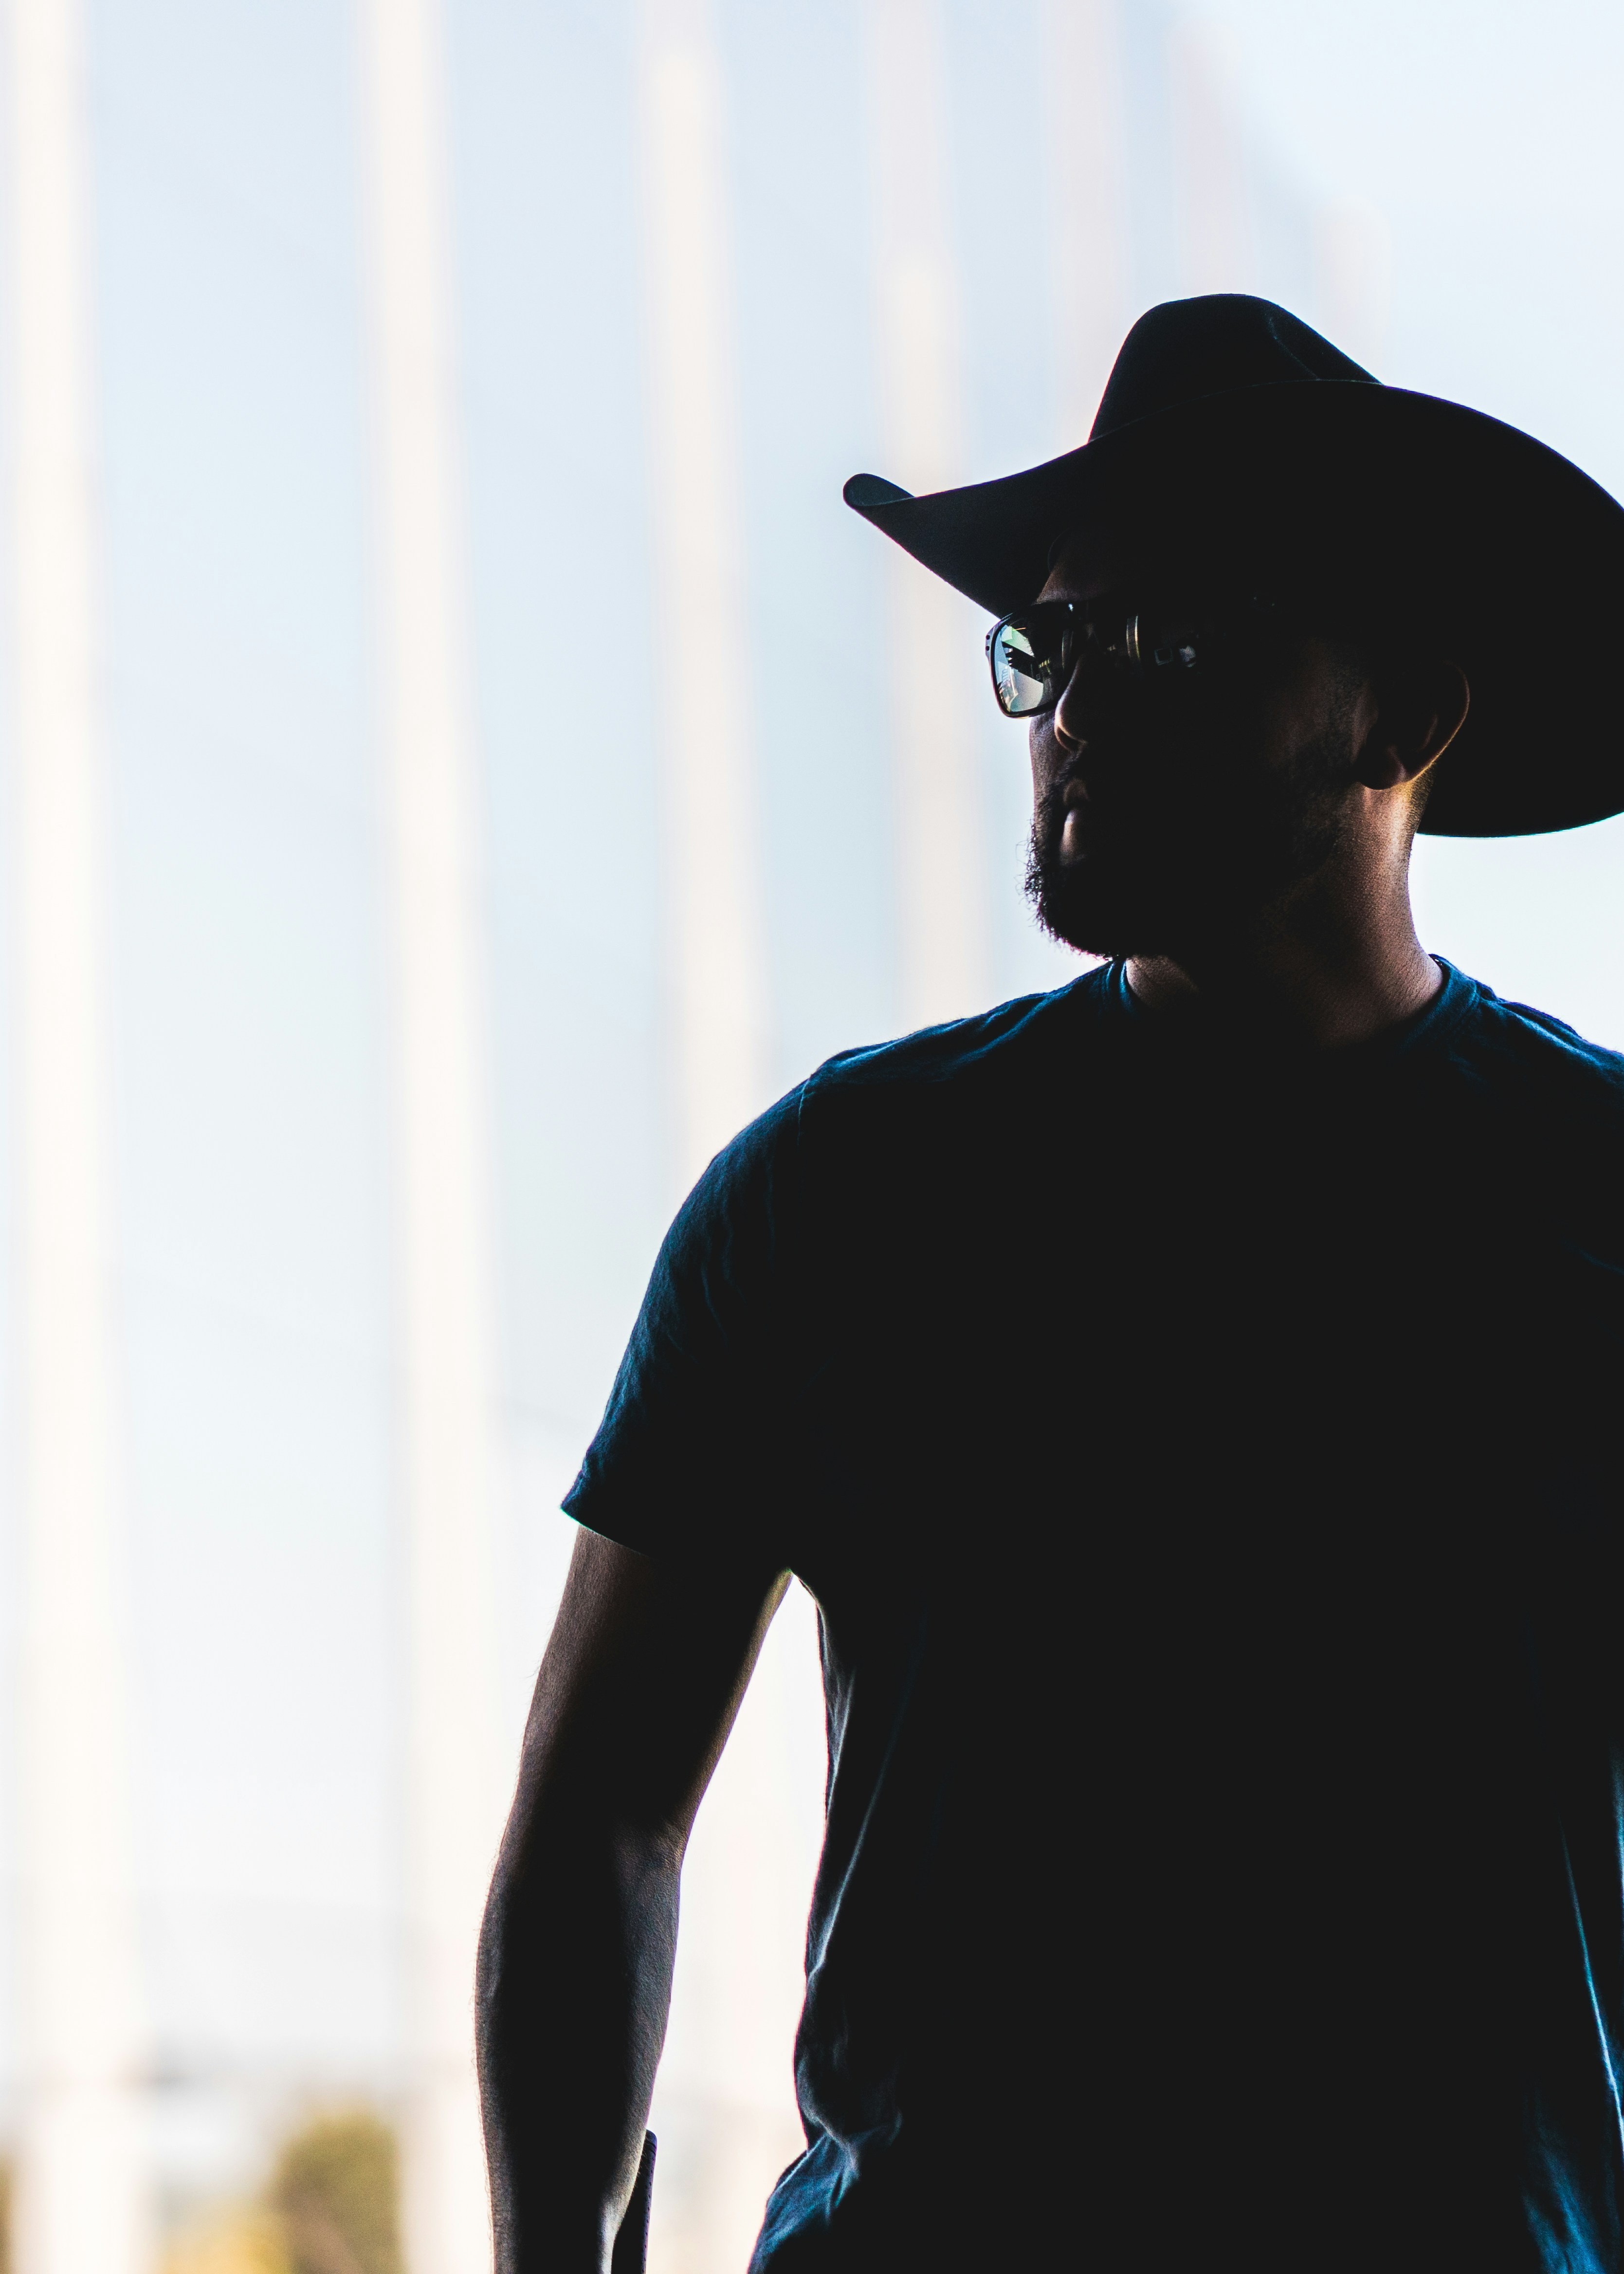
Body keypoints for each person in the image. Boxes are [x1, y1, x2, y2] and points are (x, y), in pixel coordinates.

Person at [476, 295, 1624, 2274]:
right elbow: (601, 1818)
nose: (1081, 703)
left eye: (1175, 635)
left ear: (1398, 719)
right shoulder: (838, 1195)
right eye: (1056, 642)